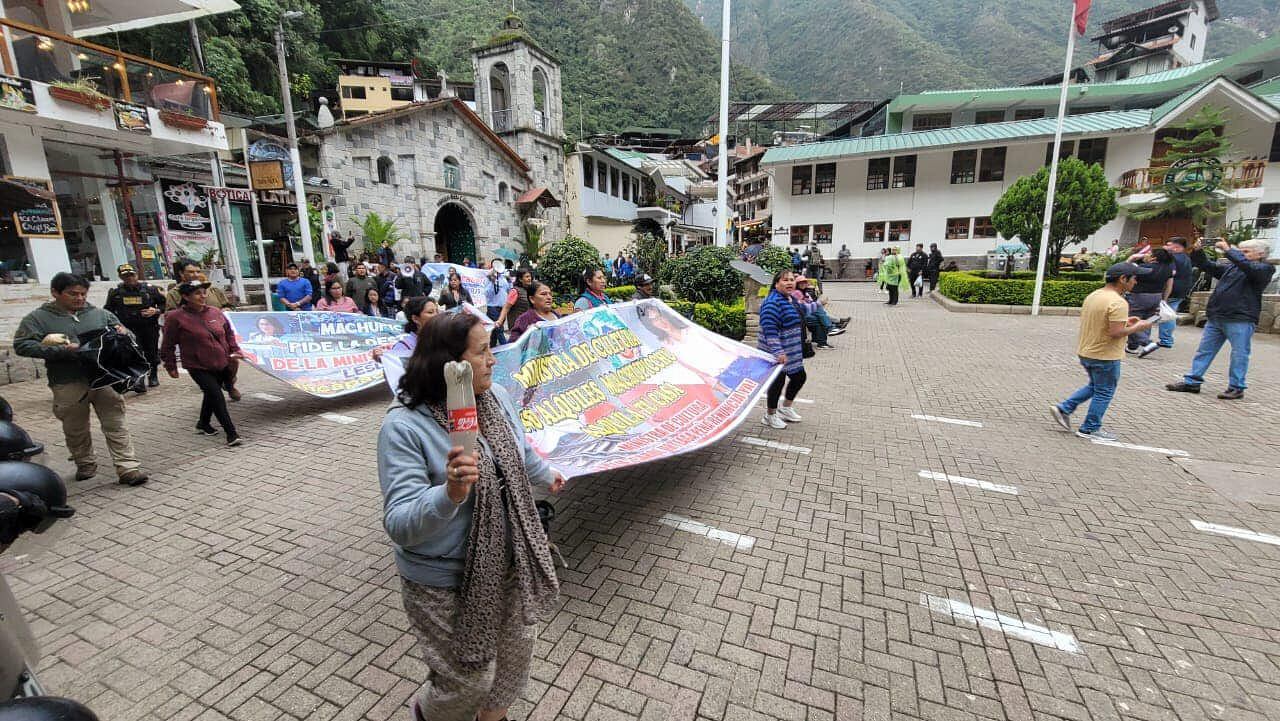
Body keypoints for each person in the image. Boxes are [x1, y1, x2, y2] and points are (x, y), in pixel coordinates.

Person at [378, 312, 563, 721]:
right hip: (443, 578)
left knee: (512, 666)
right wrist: (449, 493)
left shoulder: (494, 398)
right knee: (467, 680)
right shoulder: (404, 427)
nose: (493, 360)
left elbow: (520, 451)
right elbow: (400, 523)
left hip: (510, 560)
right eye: (482, 352)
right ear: (450, 366)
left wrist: (547, 475)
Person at [12, 273, 148, 485]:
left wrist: (124, 334)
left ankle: (128, 467)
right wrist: (62, 350)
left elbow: (126, 334)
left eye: (83, 294)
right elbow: (22, 345)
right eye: (72, 293)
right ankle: (85, 464)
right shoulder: (37, 319)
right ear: (55, 293)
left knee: (116, 423)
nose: (79, 298)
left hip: (106, 379)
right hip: (68, 381)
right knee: (75, 428)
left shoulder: (100, 314)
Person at [1050, 262, 1155, 441]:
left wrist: (1126, 321)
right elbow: (1115, 332)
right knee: (1104, 391)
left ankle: (1064, 408)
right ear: (1123, 279)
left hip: (1087, 351)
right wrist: (1140, 326)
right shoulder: (1118, 302)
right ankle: (1089, 428)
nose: (1136, 282)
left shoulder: (1095, 295)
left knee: (1095, 386)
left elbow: (1102, 321)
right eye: (1134, 278)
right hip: (1105, 355)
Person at [1166, 238, 1275, 400]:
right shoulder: (1233, 267)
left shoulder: (1265, 268)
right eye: (1241, 251)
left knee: (1239, 354)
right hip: (1217, 316)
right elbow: (1208, 266)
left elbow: (1249, 268)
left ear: (1260, 254)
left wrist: (1228, 250)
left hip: (1240, 318)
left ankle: (1236, 387)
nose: (1241, 254)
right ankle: (1192, 382)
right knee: (1204, 351)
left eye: (1245, 252)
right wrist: (1197, 251)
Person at [161, 281, 244, 447]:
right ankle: (231, 433)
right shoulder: (175, 317)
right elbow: (168, 344)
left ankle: (203, 423)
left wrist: (235, 350)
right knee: (217, 396)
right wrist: (170, 365)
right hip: (197, 365)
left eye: (204, 292)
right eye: (198, 293)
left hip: (221, 362)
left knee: (210, 394)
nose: (203, 296)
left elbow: (228, 334)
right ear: (185, 296)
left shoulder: (215, 312)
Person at [759, 270, 808, 430]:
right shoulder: (772, 302)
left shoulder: (790, 298)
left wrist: (819, 304)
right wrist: (778, 351)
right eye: (785, 280)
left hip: (791, 352)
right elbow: (769, 329)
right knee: (777, 383)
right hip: (776, 352)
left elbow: (803, 311)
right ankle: (770, 415)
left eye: (792, 280)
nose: (790, 283)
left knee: (799, 377)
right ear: (776, 283)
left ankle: (786, 408)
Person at [104, 263, 165, 391]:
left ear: (137, 275)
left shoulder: (151, 290)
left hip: (149, 328)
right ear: (121, 277)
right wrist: (116, 325)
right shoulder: (116, 293)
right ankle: (139, 380)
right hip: (129, 329)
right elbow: (108, 311)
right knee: (134, 353)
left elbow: (164, 304)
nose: (129, 278)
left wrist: (156, 311)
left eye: (131, 275)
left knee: (151, 353)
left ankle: (153, 375)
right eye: (125, 276)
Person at [1124, 247, 1174, 358]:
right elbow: (1169, 285)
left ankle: (1147, 343)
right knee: (1148, 321)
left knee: (1132, 320)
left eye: (1149, 253)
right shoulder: (1168, 269)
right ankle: (1132, 346)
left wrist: (1132, 258)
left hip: (1139, 296)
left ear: (1154, 257)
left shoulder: (1144, 268)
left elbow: (1124, 270)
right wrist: (1164, 299)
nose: (1146, 254)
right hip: (1157, 296)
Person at [373, 297, 440, 362]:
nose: (437, 315)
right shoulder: (404, 347)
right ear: (415, 318)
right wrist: (385, 358)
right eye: (430, 312)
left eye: (437, 311)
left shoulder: (442, 337)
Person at [1158, 236, 1194, 349]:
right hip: (1182, 290)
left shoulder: (1173, 258)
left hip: (1172, 290)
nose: (1166, 247)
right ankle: (1167, 338)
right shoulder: (1186, 258)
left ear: (1177, 247)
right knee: (1170, 312)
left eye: (1169, 245)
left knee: (1166, 314)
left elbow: (1170, 273)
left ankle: (1166, 339)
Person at [165, 258, 231, 311]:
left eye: (198, 272)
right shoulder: (174, 293)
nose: (196, 275)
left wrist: (224, 311)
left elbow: (228, 307)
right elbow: (170, 317)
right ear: (181, 273)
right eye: (191, 272)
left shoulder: (213, 290)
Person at [484, 262, 512, 345]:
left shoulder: (503, 278)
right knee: (499, 328)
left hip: (503, 308)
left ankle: (492, 347)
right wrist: (492, 282)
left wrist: (510, 281)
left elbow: (509, 290)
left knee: (495, 330)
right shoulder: (489, 278)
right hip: (493, 307)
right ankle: (506, 348)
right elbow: (487, 294)